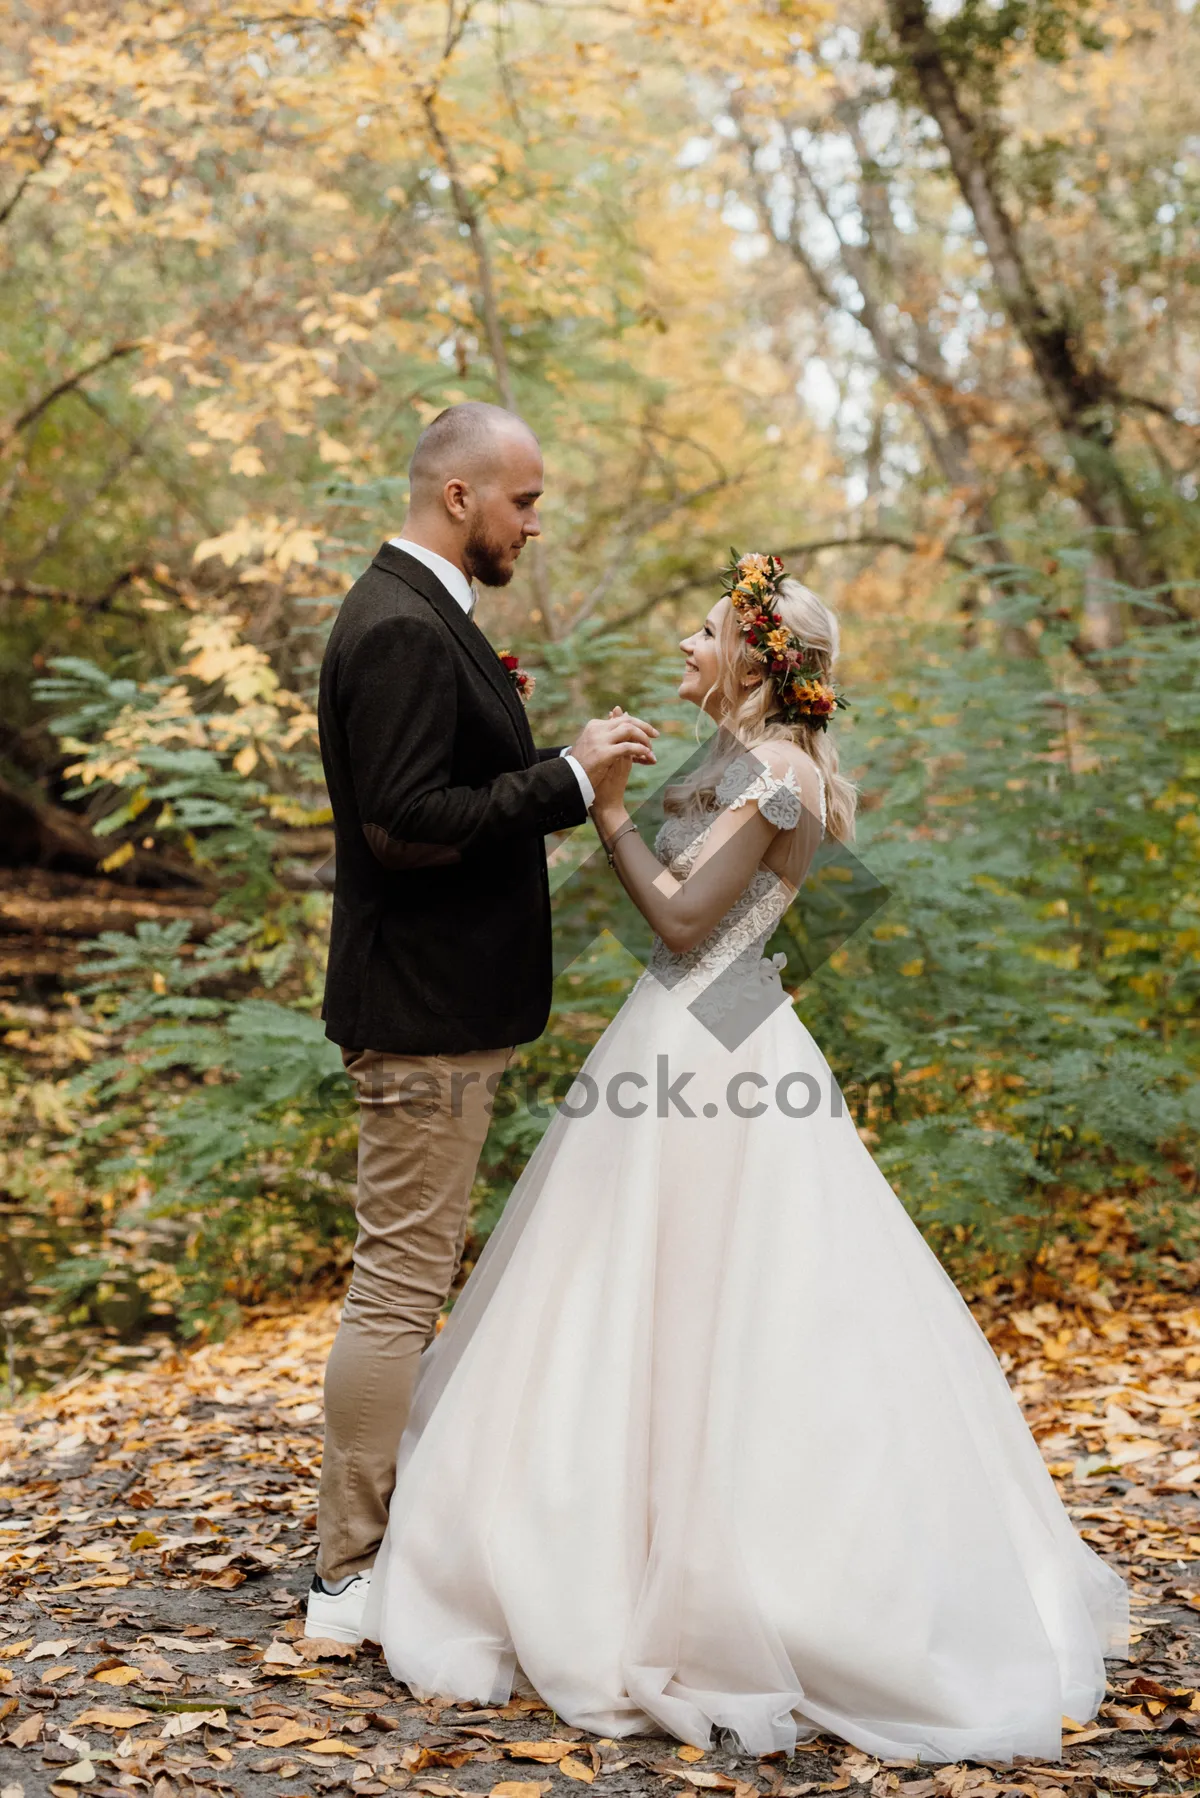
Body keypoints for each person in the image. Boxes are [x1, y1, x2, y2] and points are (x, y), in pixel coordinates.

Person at [360, 551, 1129, 1764]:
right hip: (704, 1022)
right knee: (637, 1287)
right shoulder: (741, 759)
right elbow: (732, 923)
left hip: (711, 1041)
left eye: (706, 631)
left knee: (721, 1293)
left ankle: (722, 1567)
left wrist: (601, 802)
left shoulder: (775, 772)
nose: (685, 645)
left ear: (762, 665)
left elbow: (678, 915)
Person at [309, 401, 658, 1643]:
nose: (535, 520)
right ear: (458, 497)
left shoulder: (424, 616)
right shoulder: (400, 627)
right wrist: (565, 778)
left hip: (444, 1005)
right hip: (420, 1010)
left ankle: (374, 1540)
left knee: (411, 1270)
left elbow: (438, 795)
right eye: (525, 499)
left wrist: (568, 774)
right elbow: (405, 824)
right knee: (399, 1279)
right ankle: (347, 1569)